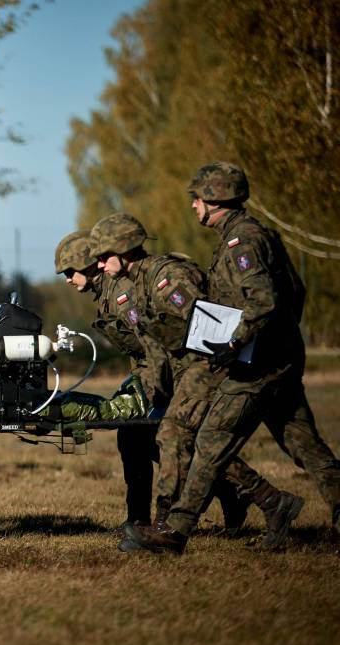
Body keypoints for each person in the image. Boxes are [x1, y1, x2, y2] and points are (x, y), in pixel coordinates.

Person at [126, 163, 340, 555]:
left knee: (211, 439)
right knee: (305, 446)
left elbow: (264, 300)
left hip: (256, 365)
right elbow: (296, 291)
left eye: (197, 198)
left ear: (215, 198)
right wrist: (284, 338)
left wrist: (236, 342)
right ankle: (294, 509)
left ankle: (175, 531)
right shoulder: (251, 235)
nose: (193, 205)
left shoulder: (242, 242)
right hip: (275, 358)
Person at [55, 231, 163, 549]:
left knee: (174, 446)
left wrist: (156, 386)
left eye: (69, 271)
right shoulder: (107, 293)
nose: (67, 280)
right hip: (146, 376)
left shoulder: (122, 292)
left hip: (161, 378)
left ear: (87, 265)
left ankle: (242, 492)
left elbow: (152, 342)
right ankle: (138, 520)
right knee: (133, 439)